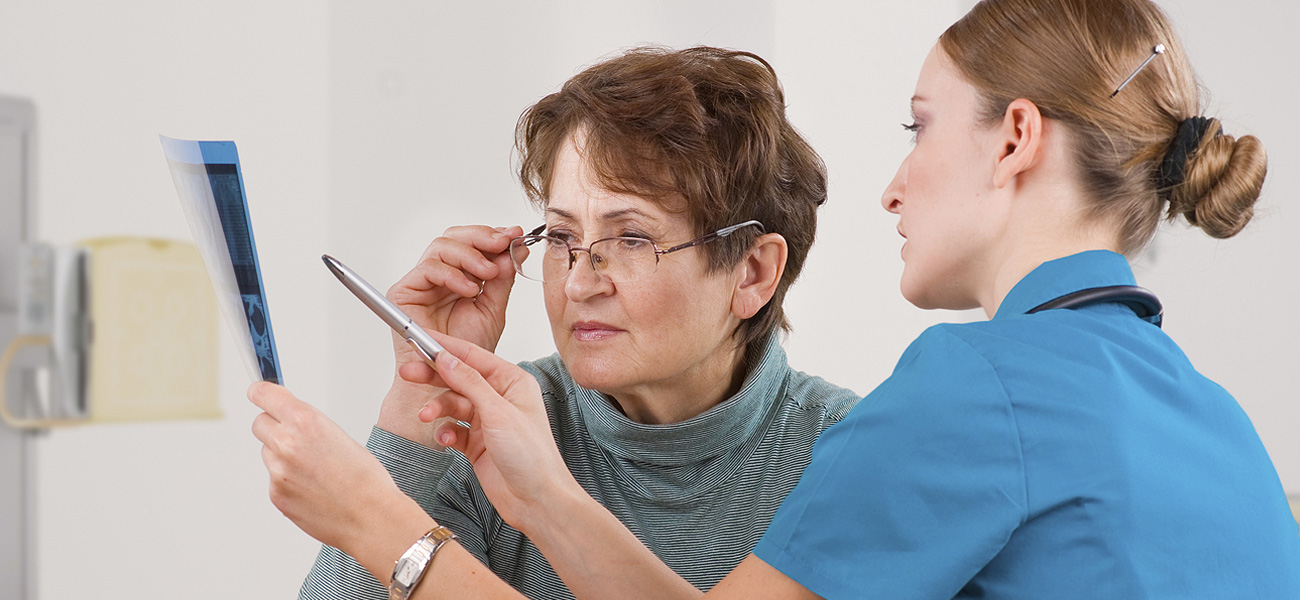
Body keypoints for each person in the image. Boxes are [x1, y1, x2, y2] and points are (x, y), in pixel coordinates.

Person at [392, 0, 1300, 597]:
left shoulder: (979, 389)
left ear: (1016, 137)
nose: (895, 187)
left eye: (921, 127)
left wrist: (372, 518)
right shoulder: (1216, 419)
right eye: (564, 234)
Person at [250, 46, 860, 599]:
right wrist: (424, 384)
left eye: (630, 238)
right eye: (563, 236)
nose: (577, 282)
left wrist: (375, 518)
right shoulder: (496, 426)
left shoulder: (851, 454)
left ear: (752, 272)